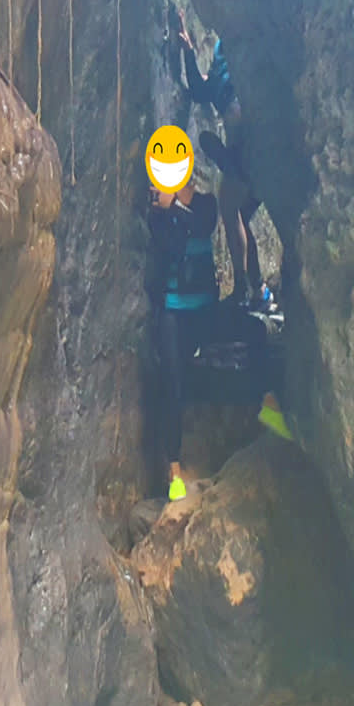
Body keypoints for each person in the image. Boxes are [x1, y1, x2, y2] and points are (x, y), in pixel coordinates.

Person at [173, 20, 266, 309]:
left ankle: (245, 288)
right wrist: (188, 50)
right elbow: (200, 89)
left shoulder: (234, 51)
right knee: (239, 213)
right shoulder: (222, 58)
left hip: (247, 133)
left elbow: (204, 88)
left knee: (230, 204)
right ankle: (256, 288)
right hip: (247, 138)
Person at [146, 173, 221, 503]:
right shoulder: (158, 212)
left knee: (207, 373)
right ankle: (174, 470)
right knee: (173, 385)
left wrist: (174, 205)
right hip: (173, 311)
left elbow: (203, 226)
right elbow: (172, 246)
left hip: (204, 310)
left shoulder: (207, 203)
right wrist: (166, 209)